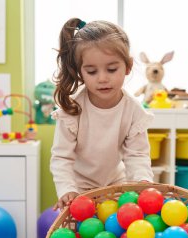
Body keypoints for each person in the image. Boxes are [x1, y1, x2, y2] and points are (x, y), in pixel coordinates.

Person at [50, 18, 154, 210]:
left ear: (128, 66)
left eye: (112, 69)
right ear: (80, 72)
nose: (103, 78)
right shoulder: (72, 110)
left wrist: (142, 182)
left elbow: (137, 155)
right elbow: (62, 157)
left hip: (116, 186)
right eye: (91, 71)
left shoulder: (134, 111)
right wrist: (67, 190)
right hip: (79, 190)